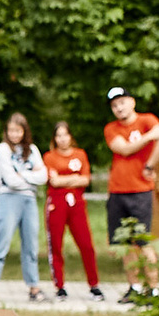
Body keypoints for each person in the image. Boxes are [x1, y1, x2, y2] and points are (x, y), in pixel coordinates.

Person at [102, 88, 159, 302]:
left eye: (122, 102)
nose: (119, 108)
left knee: (143, 241)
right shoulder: (111, 128)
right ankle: (134, 287)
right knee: (124, 244)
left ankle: (153, 289)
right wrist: (149, 137)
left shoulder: (147, 119)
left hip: (140, 191)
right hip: (117, 192)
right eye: (114, 105)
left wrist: (150, 164)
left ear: (132, 102)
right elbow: (124, 149)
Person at [0, 112, 47, 302]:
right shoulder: (2, 149)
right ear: (7, 131)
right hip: (8, 199)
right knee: (1, 243)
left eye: (18, 131)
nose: (14, 134)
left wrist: (22, 175)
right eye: (11, 130)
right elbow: (10, 180)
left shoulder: (32, 150)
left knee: (31, 245)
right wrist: (31, 175)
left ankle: (33, 287)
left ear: (24, 131)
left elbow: (44, 176)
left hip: (29, 200)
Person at [41, 120, 101, 299]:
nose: (62, 139)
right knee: (56, 244)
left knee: (86, 245)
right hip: (56, 203)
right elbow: (54, 181)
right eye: (58, 135)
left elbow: (85, 180)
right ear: (54, 138)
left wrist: (64, 179)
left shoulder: (80, 154)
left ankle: (94, 284)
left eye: (65, 135)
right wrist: (74, 178)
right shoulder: (49, 157)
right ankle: (59, 286)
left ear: (70, 136)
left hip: (77, 204)